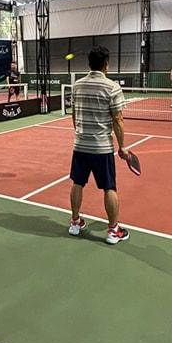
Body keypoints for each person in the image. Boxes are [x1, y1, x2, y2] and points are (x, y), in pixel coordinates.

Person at [68, 47, 129, 245]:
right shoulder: (112, 87)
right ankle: (113, 231)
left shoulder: (77, 86)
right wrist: (122, 147)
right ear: (106, 65)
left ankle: (75, 223)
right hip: (102, 148)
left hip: (80, 145)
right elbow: (118, 119)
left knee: (78, 183)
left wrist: (80, 134)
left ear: (89, 64)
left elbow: (74, 116)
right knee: (109, 187)